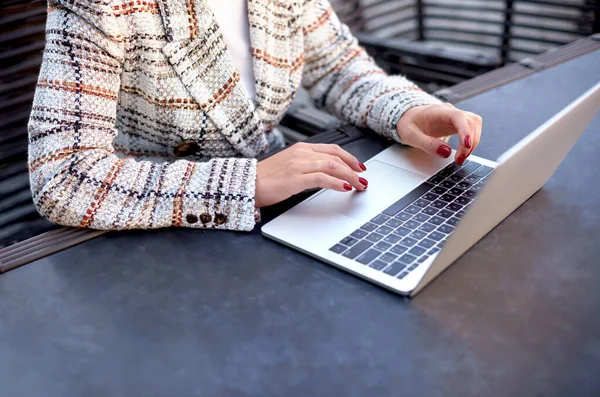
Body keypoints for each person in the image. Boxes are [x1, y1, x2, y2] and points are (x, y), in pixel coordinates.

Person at [28, 0, 482, 232]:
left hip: (291, 210)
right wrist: (248, 184)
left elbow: (337, 66)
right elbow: (63, 177)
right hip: (159, 228)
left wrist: (407, 109)